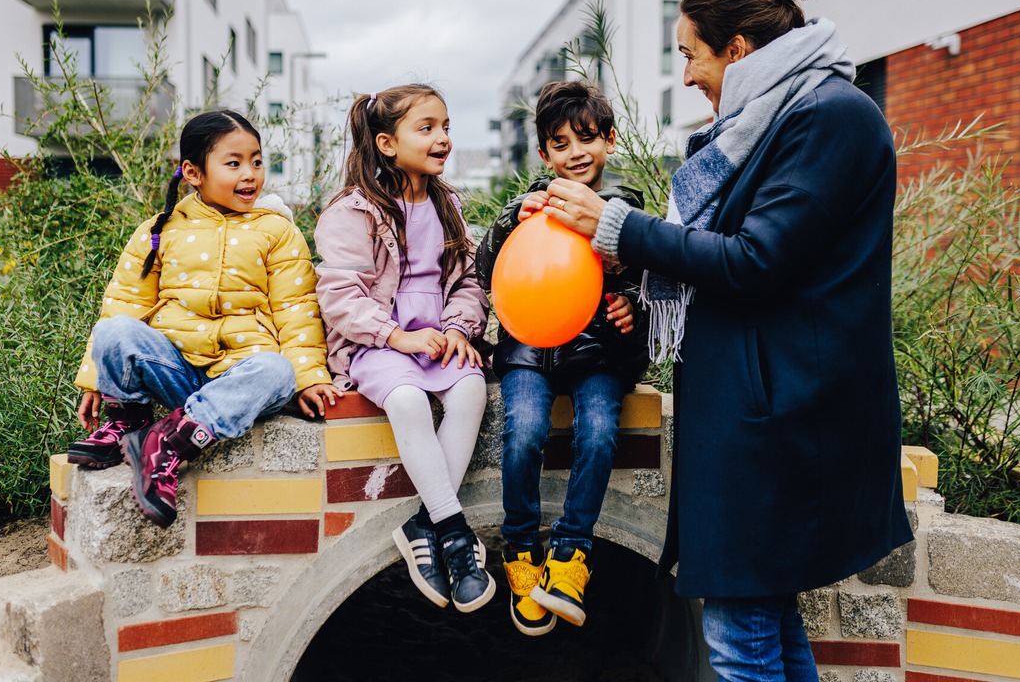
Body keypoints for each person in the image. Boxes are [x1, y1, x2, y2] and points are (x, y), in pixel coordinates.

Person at [535, 0, 914, 680]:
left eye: (689, 54)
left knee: (741, 638)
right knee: (765, 625)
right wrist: (624, 258)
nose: (684, 76)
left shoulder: (831, 117)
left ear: (737, 49)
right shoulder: (778, 116)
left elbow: (753, 259)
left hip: (785, 412)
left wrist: (619, 225)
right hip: (760, 405)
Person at [68, 110, 342, 528]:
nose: (250, 174)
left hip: (239, 380)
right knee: (114, 329)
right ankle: (128, 425)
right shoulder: (160, 230)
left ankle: (166, 444)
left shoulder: (277, 231)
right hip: (175, 369)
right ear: (193, 172)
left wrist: (308, 377)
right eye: (233, 163)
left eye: (256, 160)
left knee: (277, 370)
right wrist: (95, 378)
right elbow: (124, 301)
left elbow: (296, 309)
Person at [475, 80, 648, 636]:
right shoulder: (527, 209)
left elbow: (651, 277)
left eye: (588, 138)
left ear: (610, 141)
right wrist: (509, 223)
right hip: (528, 347)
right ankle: (521, 547)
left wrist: (631, 307)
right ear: (544, 154)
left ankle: (571, 555)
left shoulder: (623, 207)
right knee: (523, 429)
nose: (576, 152)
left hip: (598, 352)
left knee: (598, 433)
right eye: (561, 142)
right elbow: (488, 274)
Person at [314, 84, 494, 613]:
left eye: (446, 127)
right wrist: (397, 336)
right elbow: (340, 295)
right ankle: (456, 534)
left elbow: (468, 281)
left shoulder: (448, 205)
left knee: (469, 392)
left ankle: (423, 525)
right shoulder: (355, 210)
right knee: (411, 402)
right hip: (379, 344)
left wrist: (461, 328)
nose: (443, 138)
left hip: (436, 339)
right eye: (428, 128)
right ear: (388, 143)